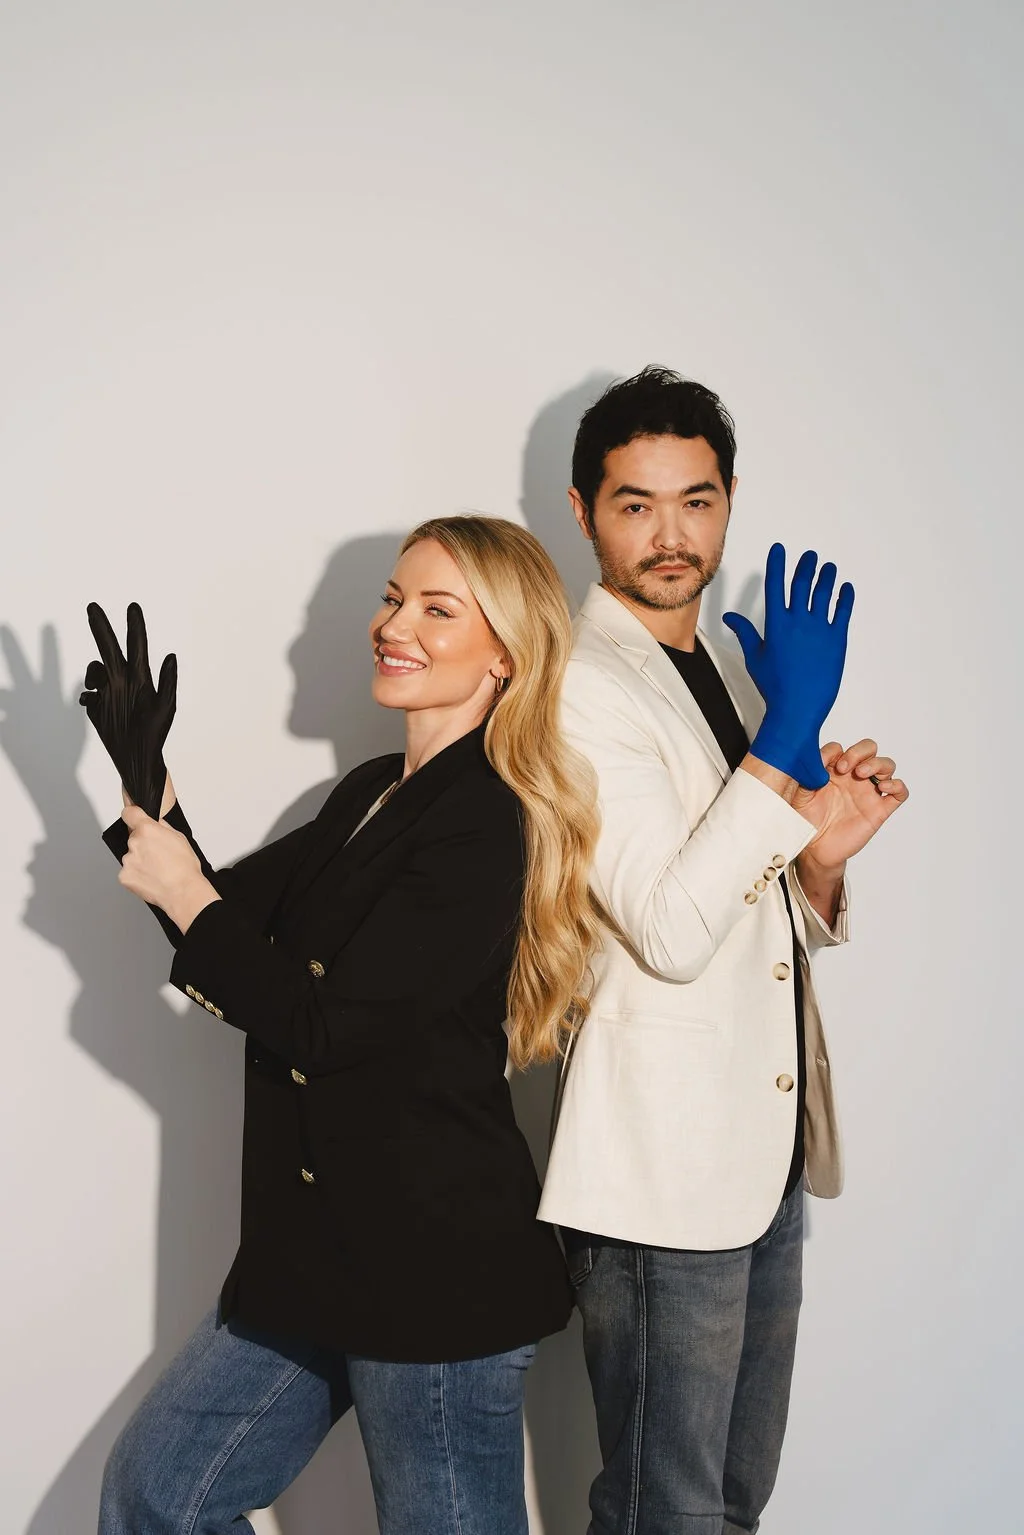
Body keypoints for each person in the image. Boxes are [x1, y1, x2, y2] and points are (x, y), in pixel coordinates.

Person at [81, 515, 602, 1535]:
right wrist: (150, 784)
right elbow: (229, 923)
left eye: (437, 609)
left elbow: (321, 1025)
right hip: (317, 1258)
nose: (394, 624)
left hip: (435, 1275)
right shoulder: (371, 791)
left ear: (505, 654)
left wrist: (189, 894)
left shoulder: (488, 821)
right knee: (158, 1494)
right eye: (394, 598)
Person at [538, 367, 910, 1535]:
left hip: (759, 1158)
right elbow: (666, 927)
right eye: (636, 503)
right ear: (583, 510)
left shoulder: (710, 674)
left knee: (732, 1502)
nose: (670, 534)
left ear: (730, 499)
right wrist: (786, 732)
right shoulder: (577, 685)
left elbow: (740, 911)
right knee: (666, 1508)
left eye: (695, 501)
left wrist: (820, 862)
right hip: (660, 1173)